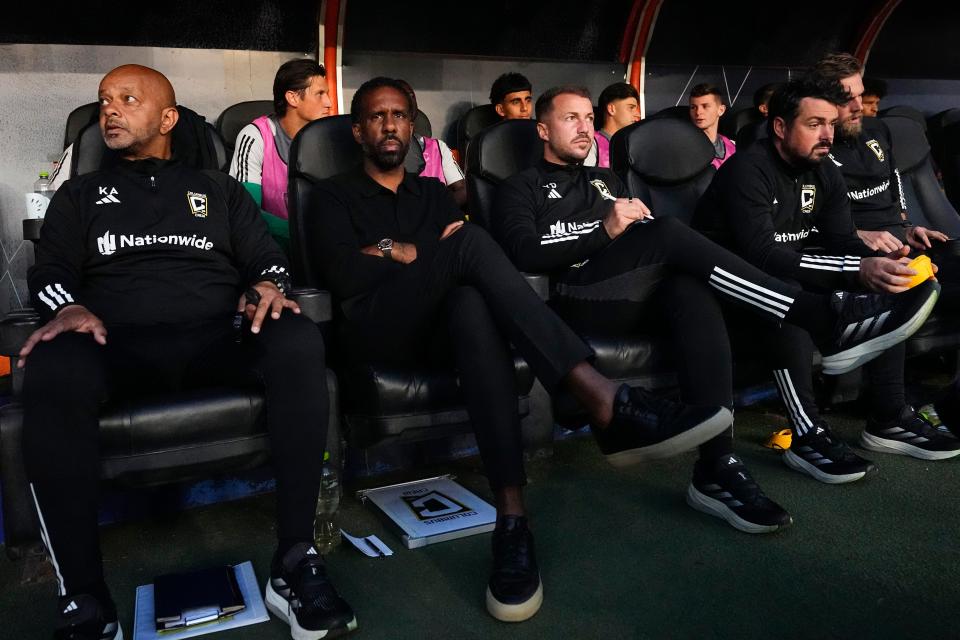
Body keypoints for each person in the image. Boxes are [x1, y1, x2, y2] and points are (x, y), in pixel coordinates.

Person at [306, 76, 749, 624]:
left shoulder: (430, 192)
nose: (390, 125)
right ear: (358, 130)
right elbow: (346, 273)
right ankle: (599, 395)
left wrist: (397, 254)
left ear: (413, 126)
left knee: (471, 305)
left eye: (400, 115)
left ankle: (512, 520)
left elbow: (446, 268)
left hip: (437, 324)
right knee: (468, 247)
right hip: (376, 329)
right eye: (377, 116)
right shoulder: (331, 195)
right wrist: (410, 251)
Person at [491, 84, 937, 532]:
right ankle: (822, 317)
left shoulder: (607, 180)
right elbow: (522, 255)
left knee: (691, 288)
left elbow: (643, 244)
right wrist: (605, 231)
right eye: (571, 118)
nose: (585, 127)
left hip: (637, 291)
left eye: (589, 118)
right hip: (578, 298)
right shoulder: (520, 187)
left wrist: (630, 231)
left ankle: (717, 467)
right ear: (543, 129)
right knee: (667, 232)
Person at [22, 65, 356, 640]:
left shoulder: (217, 190)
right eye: (104, 101)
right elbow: (48, 271)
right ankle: (85, 597)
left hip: (214, 338)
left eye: (128, 99)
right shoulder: (78, 194)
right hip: (114, 343)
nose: (110, 110)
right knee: (52, 362)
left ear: (168, 118)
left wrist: (270, 286)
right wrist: (68, 308)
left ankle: (295, 561)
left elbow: (266, 262)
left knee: (296, 335)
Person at [693, 75, 956, 487]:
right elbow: (761, 255)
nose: (827, 135)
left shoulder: (823, 170)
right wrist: (853, 269)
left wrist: (883, 264)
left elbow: (841, 244)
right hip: (725, 285)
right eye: (814, 124)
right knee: (787, 298)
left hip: (783, 272)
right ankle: (806, 434)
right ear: (780, 127)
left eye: (831, 124)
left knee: (890, 281)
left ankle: (888, 418)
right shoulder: (748, 168)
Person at [812, 52, 960, 458]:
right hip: (853, 253)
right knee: (895, 280)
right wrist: (860, 234)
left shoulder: (877, 132)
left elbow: (892, 193)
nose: (859, 105)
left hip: (904, 244)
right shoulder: (812, 144)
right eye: (847, 99)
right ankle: (888, 419)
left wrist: (910, 227)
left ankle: (951, 406)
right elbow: (801, 217)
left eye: (860, 94)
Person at [229, 59, 332, 253]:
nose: (329, 103)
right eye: (320, 94)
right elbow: (246, 212)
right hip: (271, 250)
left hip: (322, 250)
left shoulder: (329, 140)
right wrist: (307, 235)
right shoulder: (255, 136)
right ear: (292, 98)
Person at [395, 79, 467, 208]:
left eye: (411, 96)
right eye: (400, 96)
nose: (408, 101)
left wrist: (435, 211)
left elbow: (462, 189)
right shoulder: (377, 151)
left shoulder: (438, 147)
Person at [689, 83, 736, 169]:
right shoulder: (683, 147)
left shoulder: (732, 147)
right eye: (693, 107)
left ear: (721, 110)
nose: (698, 112)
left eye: (705, 106)